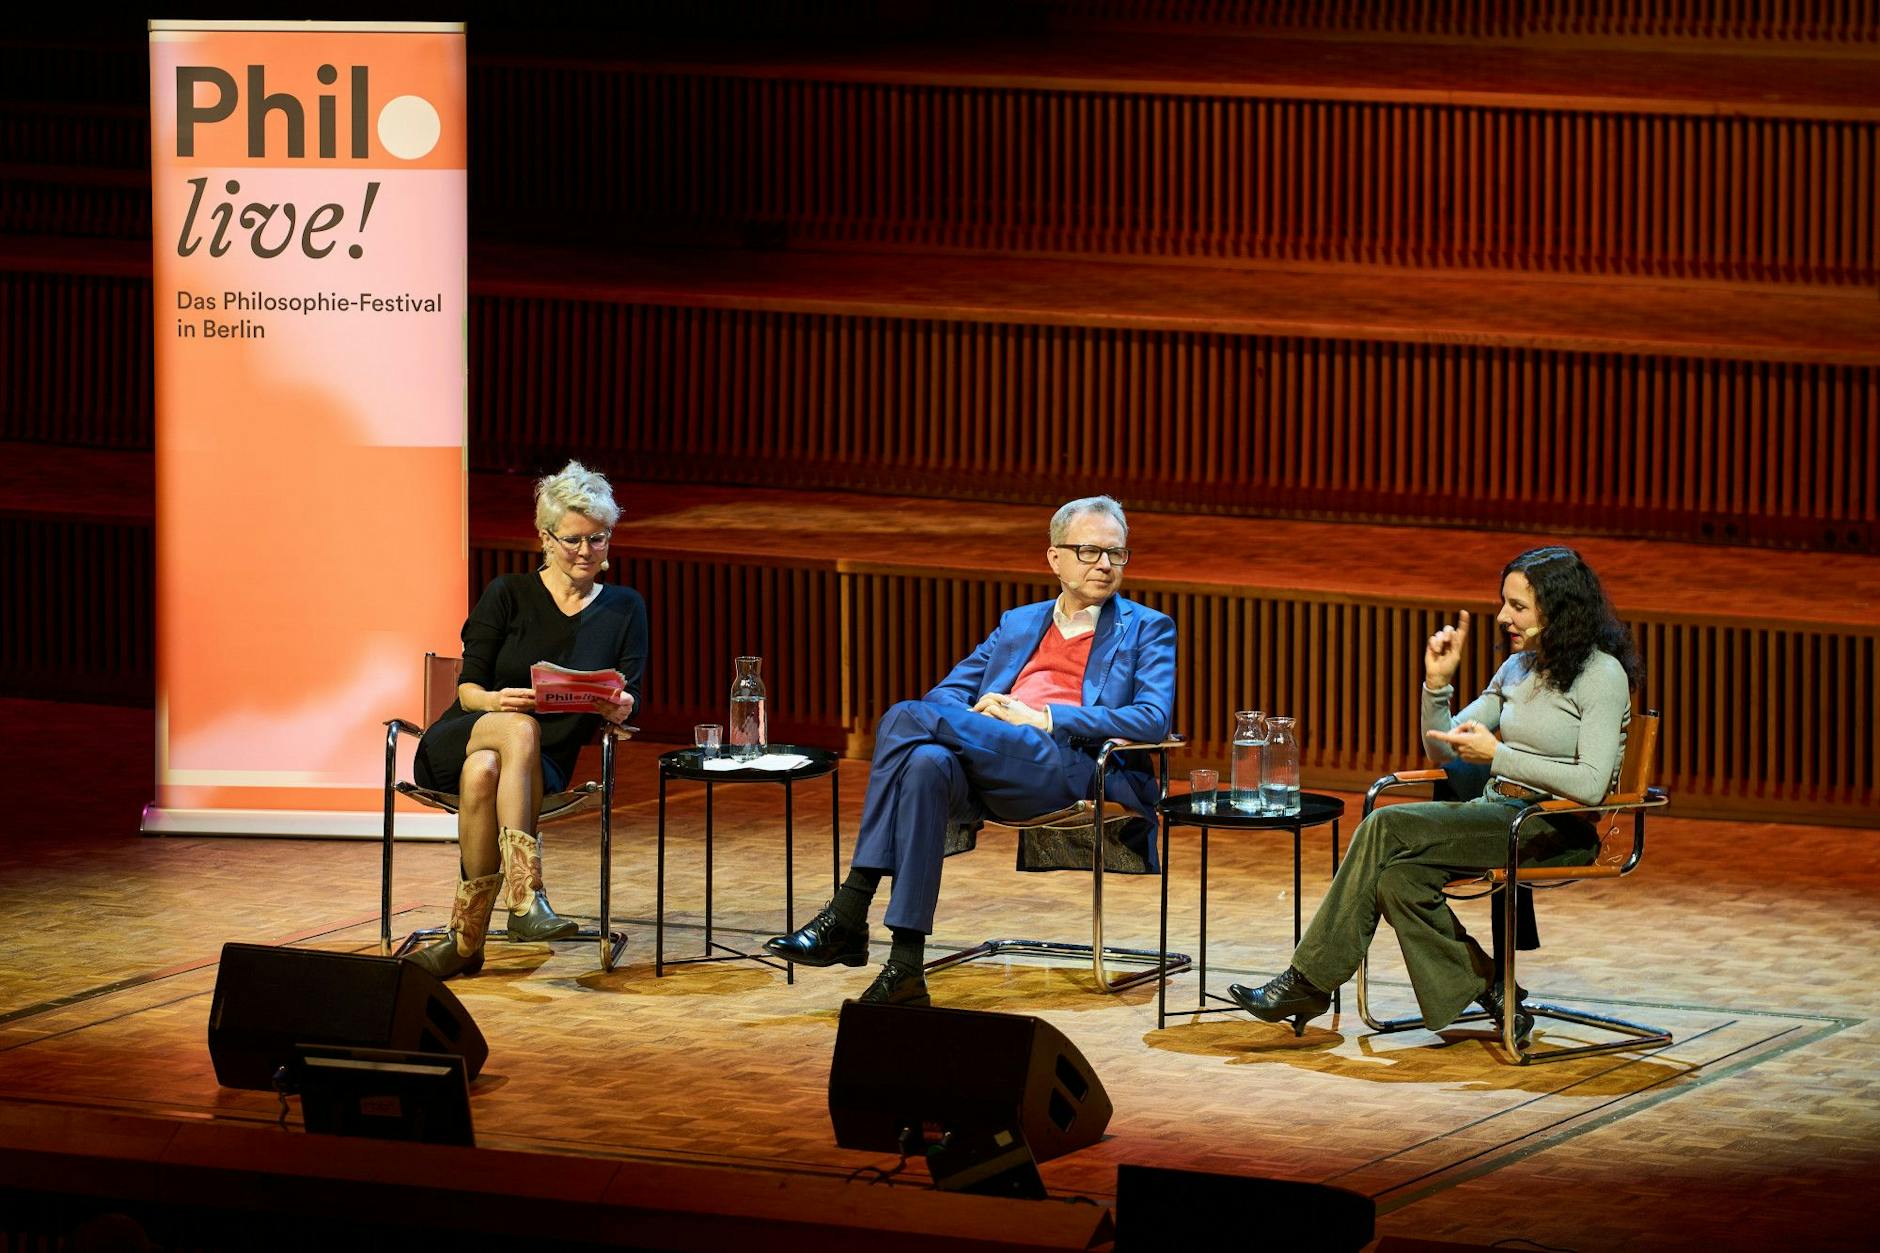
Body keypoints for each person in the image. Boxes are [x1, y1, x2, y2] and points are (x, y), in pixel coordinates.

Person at [762, 495, 1176, 1006]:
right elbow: (946, 697)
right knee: (924, 763)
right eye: (1090, 551)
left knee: (905, 716)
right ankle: (906, 966)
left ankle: (850, 906)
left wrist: (1043, 717)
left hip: (1067, 765)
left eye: (1116, 554)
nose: (1105, 565)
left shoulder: (1147, 627)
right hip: (993, 765)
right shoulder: (1019, 623)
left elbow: (1153, 718)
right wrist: (984, 713)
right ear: (1054, 558)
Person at [1228, 546, 1641, 1044]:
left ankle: (1309, 982)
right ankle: (1492, 988)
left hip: (1552, 827)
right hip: (1497, 814)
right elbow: (1445, 748)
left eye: (1517, 606)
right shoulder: (1518, 669)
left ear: (1559, 609)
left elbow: (1594, 785)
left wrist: (1500, 756)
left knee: (1385, 823)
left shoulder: (1602, 675)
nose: (1502, 616)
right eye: (1503, 602)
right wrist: (1436, 686)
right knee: (1400, 881)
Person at [405, 461, 646, 979]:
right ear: (544, 537)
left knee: (485, 772)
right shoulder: (508, 592)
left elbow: (630, 695)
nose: (586, 552)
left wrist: (621, 706)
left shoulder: (625, 607)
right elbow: (467, 691)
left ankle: (464, 941)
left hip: (541, 767)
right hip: (460, 739)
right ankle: (526, 899)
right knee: (513, 731)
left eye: (598, 539)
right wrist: (497, 702)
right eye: (573, 540)